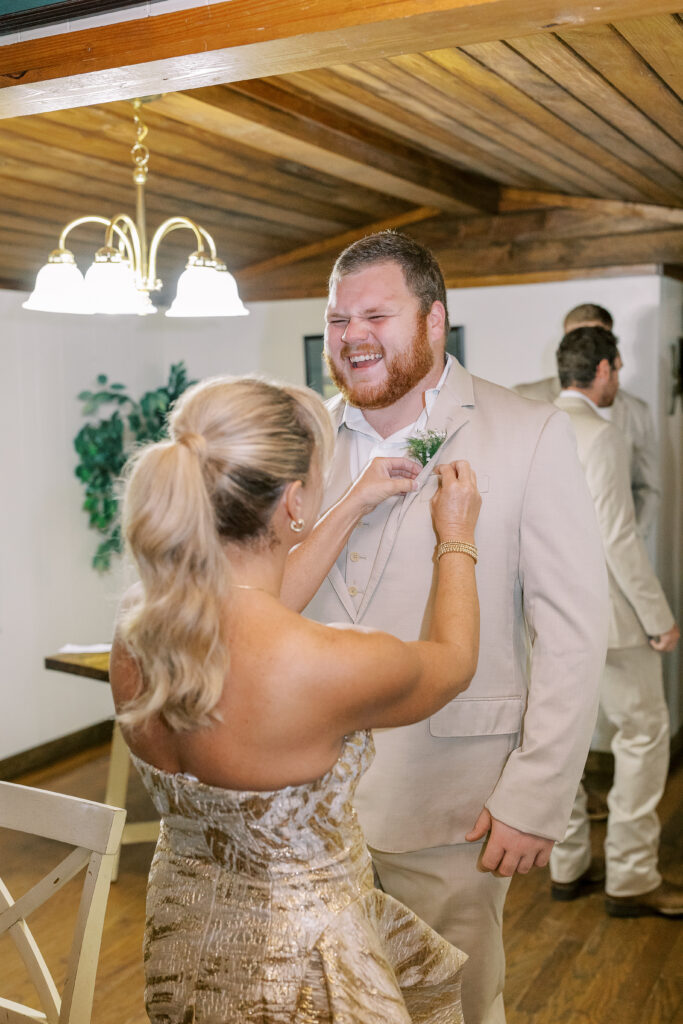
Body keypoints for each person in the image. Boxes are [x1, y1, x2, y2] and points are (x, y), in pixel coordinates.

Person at [109, 373, 485, 1024]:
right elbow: (452, 664)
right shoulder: (323, 663)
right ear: (291, 503)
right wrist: (457, 536)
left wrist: (353, 502)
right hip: (302, 971)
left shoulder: (142, 629)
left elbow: (252, 610)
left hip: (186, 935)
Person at [303, 231, 609, 1024]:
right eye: (338, 320)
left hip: (452, 800)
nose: (351, 337)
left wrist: (536, 795)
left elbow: (573, 631)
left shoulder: (530, 432)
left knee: (455, 1007)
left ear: (434, 321)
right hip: (300, 800)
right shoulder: (303, 437)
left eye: (375, 314)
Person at [549, 326, 682, 917]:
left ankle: (566, 865)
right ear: (602, 371)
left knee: (563, 746)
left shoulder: (535, 427)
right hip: (610, 616)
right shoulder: (599, 435)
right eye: (618, 370)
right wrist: (659, 616)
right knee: (645, 736)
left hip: (549, 617)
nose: (619, 380)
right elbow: (618, 538)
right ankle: (630, 878)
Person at [514, 303, 659, 539]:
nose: (587, 350)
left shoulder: (637, 412)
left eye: (598, 340)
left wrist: (629, 539)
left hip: (613, 557)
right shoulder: (524, 399)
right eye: (578, 340)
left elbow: (648, 489)